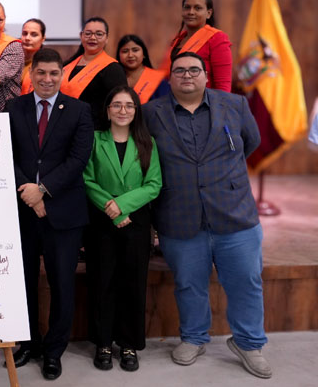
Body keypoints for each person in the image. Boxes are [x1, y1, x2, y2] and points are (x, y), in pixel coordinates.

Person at [144, 52, 270, 379]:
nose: (187, 75)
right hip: (179, 213)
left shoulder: (235, 105)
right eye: (180, 71)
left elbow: (250, 143)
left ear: (205, 75)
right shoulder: (150, 113)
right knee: (189, 283)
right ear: (170, 77)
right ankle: (194, 337)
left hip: (234, 213)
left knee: (246, 281)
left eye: (194, 70)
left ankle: (249, 343)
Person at [6, 48, 94, 381]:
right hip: (21, 213)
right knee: (23, 283)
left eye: (53, 73)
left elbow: (78, 160)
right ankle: (28, 343)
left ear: (62, 74)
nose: (47, 79)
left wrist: (43, 191)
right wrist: (28, 192)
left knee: (62, 285)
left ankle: (54, 351)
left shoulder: (79, 110)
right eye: (40, 73)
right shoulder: (14, 107)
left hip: (64, 214)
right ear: (31, 75)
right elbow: (4, 154)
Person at [83, 86, 162, 372]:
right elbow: (87, 180)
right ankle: (103, 342)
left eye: (129, 105)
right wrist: (113, 209)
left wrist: (123, 206)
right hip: (101, 223)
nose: (122, 110)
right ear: (107, 110)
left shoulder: (147, 142)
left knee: (133, 283)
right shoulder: (93, 140)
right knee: (102, 282)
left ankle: (129, 343)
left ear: (136, 110)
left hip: (137, 223)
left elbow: (154, 184)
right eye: (116, 105)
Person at [159, 0, 232, 92]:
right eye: (187, 7)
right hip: (175, 102)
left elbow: (223, 85)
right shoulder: (177, 39)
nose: (191, 12)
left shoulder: (217, 38)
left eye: (198, 8)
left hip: (205, 105)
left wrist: (219, 107)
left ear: (208, 13)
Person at [61, 17, 127, 126]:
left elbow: (118, 104)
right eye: (88, 33)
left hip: (94, 130)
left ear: (106, 38)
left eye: (99, 34)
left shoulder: (113, 69)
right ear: (81, 36)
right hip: (63, 127)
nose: (92, 37)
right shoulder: (66, 66)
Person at [116, 34, 170, 103]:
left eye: (135, 50)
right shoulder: (114, 79)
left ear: (144, 54)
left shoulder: (158, 80)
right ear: (119, 56)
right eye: (125, 51)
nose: (130, 55)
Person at [20, 18, 46, 95]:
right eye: (24, 33)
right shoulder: (11, 60)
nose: (27, 38)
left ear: (43, 39)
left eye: (34, 35)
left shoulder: (47, 63)